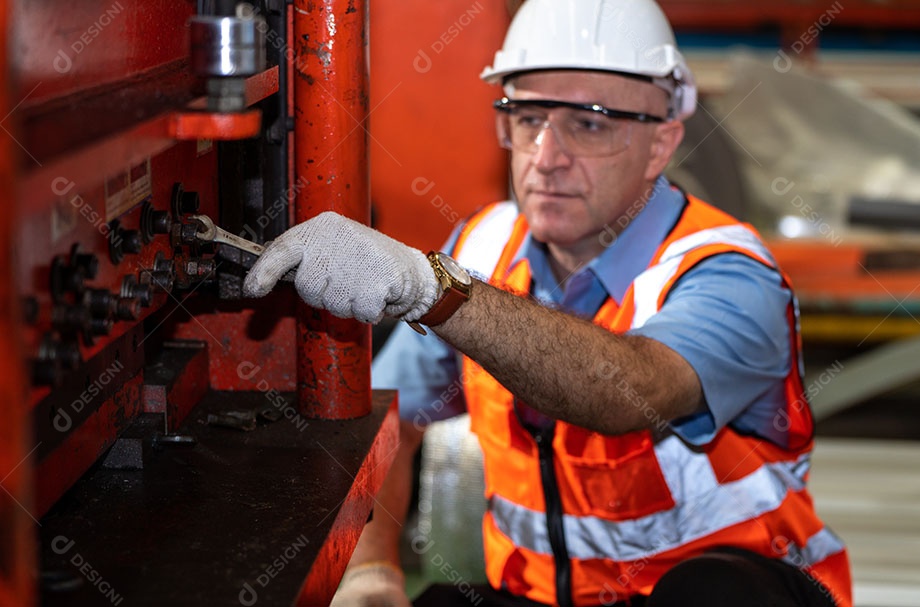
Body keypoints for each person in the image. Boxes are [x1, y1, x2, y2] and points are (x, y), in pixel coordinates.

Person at [244, 0, 853, 605]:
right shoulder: (482, 248)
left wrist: (435, 292)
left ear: (663, 142)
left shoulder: (729, 274)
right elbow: (387, 418)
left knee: (716, 595)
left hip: (720, 592)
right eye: (528, 117)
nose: (544, 157)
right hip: (540, 598)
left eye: (589, 123)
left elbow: (626, 391)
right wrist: (372, 570)